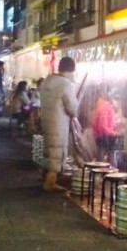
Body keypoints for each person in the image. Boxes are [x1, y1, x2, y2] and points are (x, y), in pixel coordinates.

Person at [39, 56, 79, 191]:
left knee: (48, 149)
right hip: (59, 123)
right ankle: (50, 183)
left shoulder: (47, 81)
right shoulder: (65, 84)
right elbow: (72, 106)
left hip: (46, 121)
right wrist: (75, 112)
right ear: (71, 70)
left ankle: (45, 177)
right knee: (57, 151)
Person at [92, 85, 120, 162]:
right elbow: (103, 126)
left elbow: (97, 124)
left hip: (101, 137)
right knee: (110, 158)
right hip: (106, 137)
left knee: (101, 158)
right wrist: (114, 133)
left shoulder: (100, 107)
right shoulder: (105, 107)